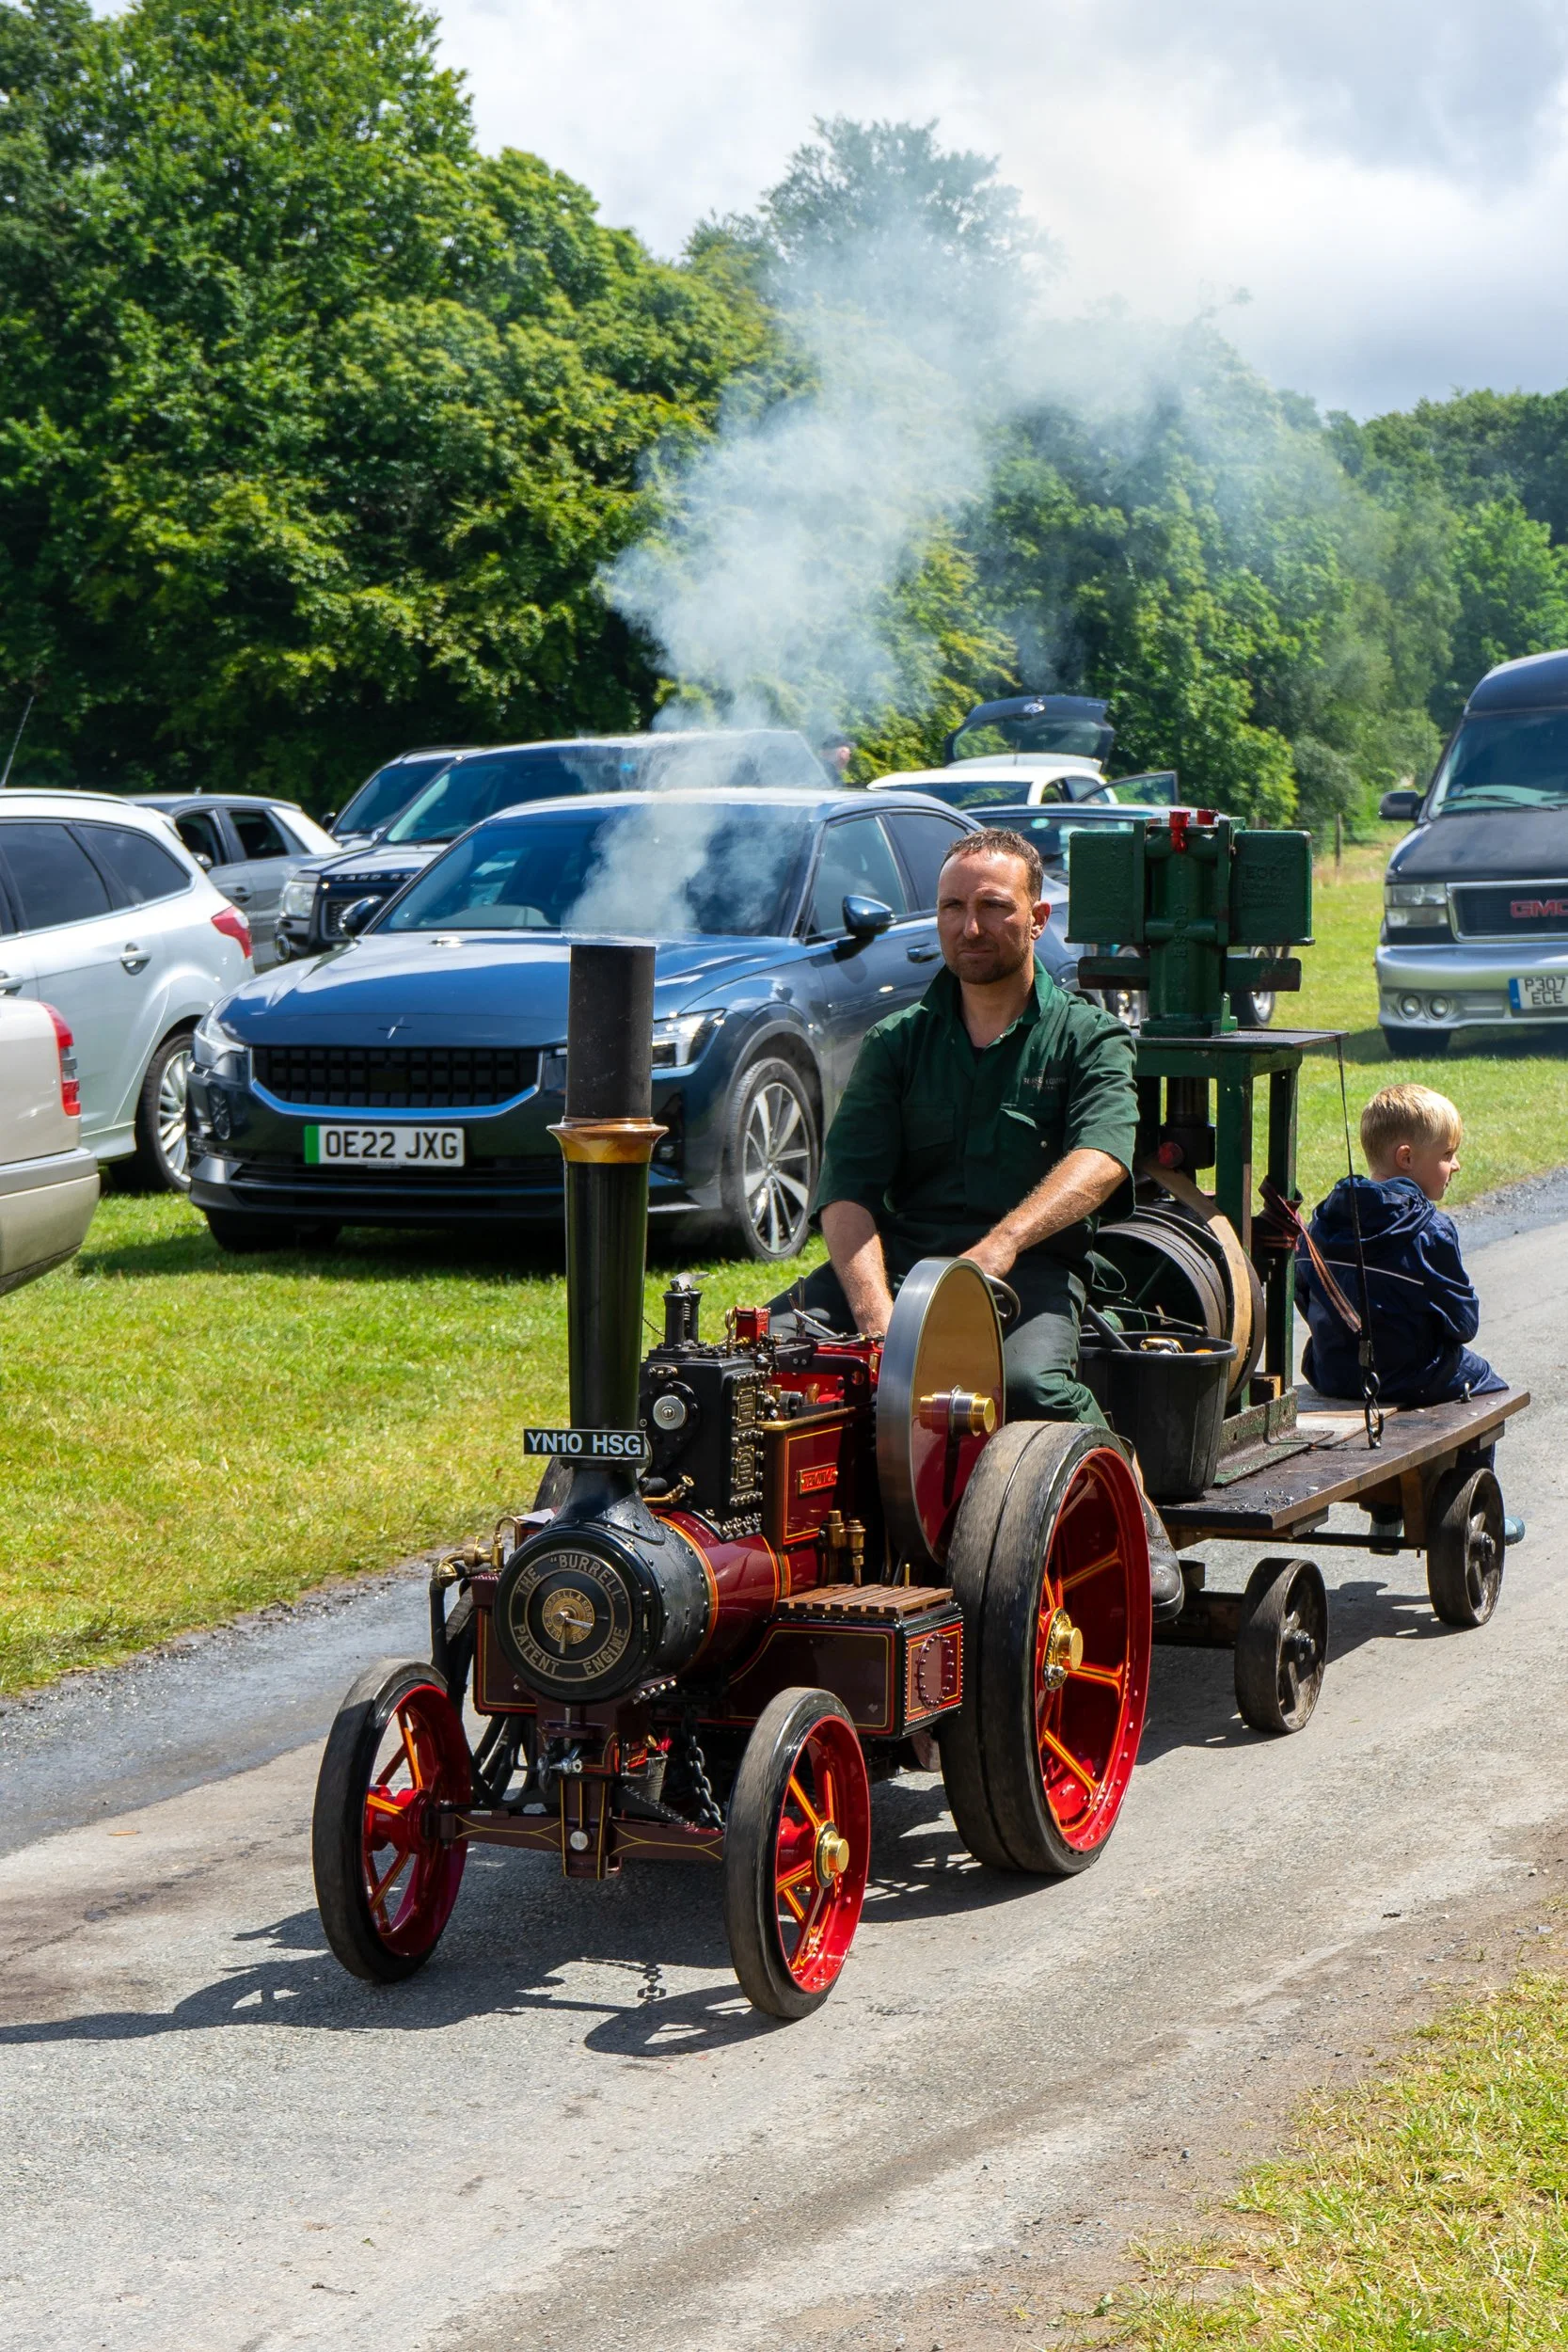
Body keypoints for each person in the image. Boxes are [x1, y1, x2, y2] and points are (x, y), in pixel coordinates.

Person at [772, 824, 1183, 1616]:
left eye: (993, 906)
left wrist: (1003, 1242)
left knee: (1027, 1385)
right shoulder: (896, 1042)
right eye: (951, 908)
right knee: (762, 1361)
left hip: (1030, 1269)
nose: (969, 926)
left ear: (1037, 917)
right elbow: (847, 1193)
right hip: (900, 1267)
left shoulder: (1088, 1037)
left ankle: (1136, 1516)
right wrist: (878, 1322)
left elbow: (1101, 1157)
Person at [1295, 1082, 1505, 1406]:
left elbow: (1303, 1293)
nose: (1456, 1165)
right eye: (1448, 1154)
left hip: (1331, 1375)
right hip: (1413, 1380)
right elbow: (1464, 1324)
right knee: (1488, 1380)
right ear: (1406, 1157)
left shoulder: (1322, 1223)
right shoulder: (1431, 1231)